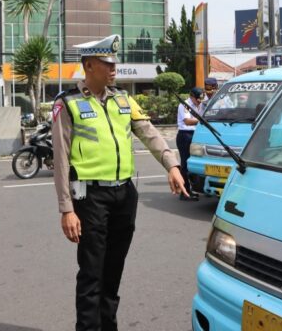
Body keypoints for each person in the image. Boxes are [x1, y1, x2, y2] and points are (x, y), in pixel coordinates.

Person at [52, 34, 188, 331]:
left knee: (113, 270)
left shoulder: (123, 100)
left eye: (114, 63)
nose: (114, 68)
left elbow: (149, 132)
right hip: (90, 197)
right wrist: (66, 209)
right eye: (106, 63)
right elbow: (61, 160)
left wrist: (172, 164)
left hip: (124, 195)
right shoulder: (68, 104)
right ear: (89, 65)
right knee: (91, 271)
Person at [176, 87, 204, 201]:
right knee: (185, 164)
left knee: (194, 164)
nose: (199, 101)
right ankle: (185, 191)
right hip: (185, 135)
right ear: (192, 96)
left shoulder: (200, 104)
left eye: (200, 99)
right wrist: (202, 120)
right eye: (197, 99)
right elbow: (187, 121)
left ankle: (195, 188)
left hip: (196, 134)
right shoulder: (185, 105)